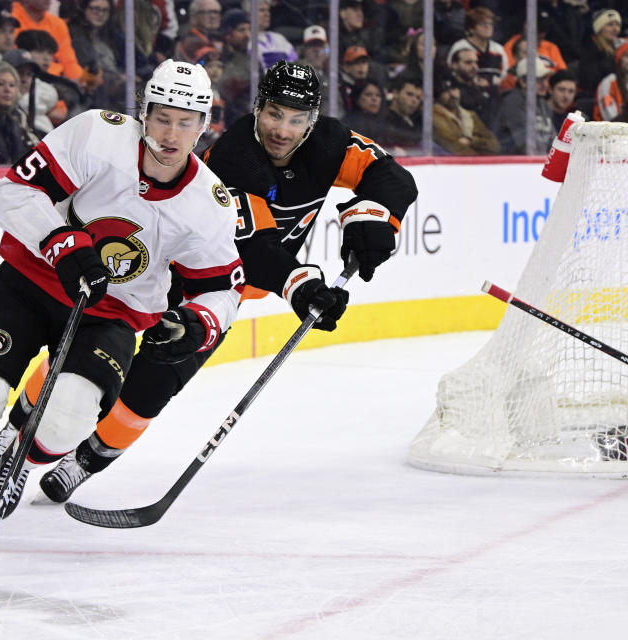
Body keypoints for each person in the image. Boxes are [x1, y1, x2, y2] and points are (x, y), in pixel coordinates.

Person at [0, 59, 246, 536]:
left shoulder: (207, 201)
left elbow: (219, 288)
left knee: (69, 416)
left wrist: (199, 322)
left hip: (111, 311)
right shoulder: (97, 134)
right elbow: (14, 193)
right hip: (32, 282)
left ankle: (20, 466)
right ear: (143, 113)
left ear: (204, 126)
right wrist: (63, 244)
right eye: (162, 117)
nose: (171, 133)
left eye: (186, 122)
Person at [25, 61, 418, 506]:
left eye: (295, 119)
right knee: (91, 356)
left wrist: (374, 217)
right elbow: (255, 250)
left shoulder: (330, 141)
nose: (282, 130)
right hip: (171, 272)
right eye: (273, 114)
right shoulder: (233, 159)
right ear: (256, 109)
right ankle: (24, 424)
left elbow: (390, 176)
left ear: (311, 120)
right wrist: (304, 283)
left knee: (156, 384)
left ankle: (87, 461)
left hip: (218, 297)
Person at [491, 56, 554, 154]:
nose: (545, 85)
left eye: (546, 79)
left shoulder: (544, 105)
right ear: (523, 82)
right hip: (513, 164)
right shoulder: (513, 102)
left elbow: (553, 140)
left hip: (537, 162)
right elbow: (524, 143)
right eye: (539, 80)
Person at [432, 69, 499, 155]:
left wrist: (470, 141)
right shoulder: (434, 116)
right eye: (445, 91)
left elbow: (495, 146)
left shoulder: (471, 115)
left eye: (454, 89)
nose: (453, 94)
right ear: (437, 95)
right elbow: (455, 148)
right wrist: (479, 157)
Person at [382, 74, 423, 154]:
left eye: (418, 97)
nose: (414, 101)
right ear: (396, 93)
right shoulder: (385, 120)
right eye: (409, 94)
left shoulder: (418, 120)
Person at [548, 68, 578, 133]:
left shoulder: (573, 120)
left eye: (571, 91)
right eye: (561, 90)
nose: (566, 96)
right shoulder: (538, 113)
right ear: (550, 89)